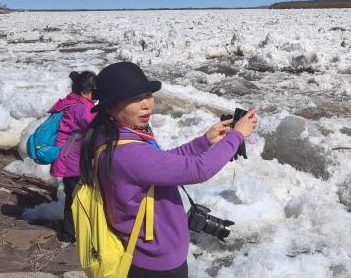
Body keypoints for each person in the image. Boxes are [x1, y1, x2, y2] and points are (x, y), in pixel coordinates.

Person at [79, 62, 257, 278]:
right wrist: (237, 136)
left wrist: (203, 142)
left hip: (144, 253)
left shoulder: (114, 135)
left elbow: (160, 162)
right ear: (110, 107)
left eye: (147, 95)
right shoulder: (127, 153)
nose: (146, 105)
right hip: (155, 262)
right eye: (134, 99)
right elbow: (199, 169)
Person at [49, 71, 97, 243]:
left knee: (73, 196)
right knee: (77, 197)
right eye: (96, 91)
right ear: (87, 91)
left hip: (68, 158)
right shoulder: (82, 108)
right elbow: (97, 124)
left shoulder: (71, 102)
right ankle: (71, 233)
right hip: (73, 161)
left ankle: (72, 231)